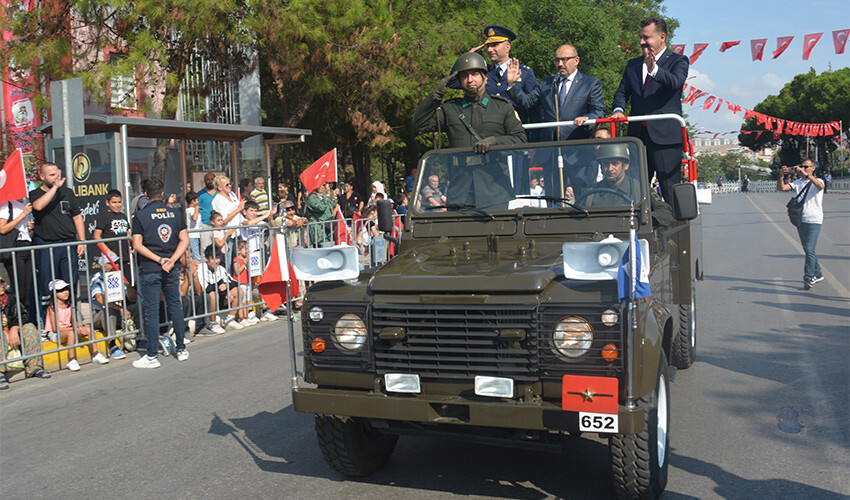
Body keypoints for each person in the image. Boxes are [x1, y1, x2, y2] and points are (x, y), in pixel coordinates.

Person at [611, 17, 689, 203]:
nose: (641, 42)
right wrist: (618, 109)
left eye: (646, 37)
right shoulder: (633, 65)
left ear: (662, 37)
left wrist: (654, 69)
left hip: (666, 140)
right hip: (638, 138)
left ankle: (673, 228)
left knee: (670, 192)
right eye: (640, 37)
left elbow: (675, 83)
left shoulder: (678, 60)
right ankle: (639, 230)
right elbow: (622, 92)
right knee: (637, 191)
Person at [131, 178, 190, 368]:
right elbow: (185, 240)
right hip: (171, 267)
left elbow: (137, 245)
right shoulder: (175, 213)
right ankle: (181, 348)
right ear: (162, 193)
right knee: (175, 307)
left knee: (152, 311)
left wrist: (159, 260)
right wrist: (172, 259)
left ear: (145, 194)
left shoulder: (140, 216)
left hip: (151, 268)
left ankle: (151, 356)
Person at [414, 52, 527, 151]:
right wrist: (436, 95)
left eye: (475, 74)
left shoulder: (502, 107)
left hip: (493, 173)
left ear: (485, 78)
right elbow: (420, 124)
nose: (470, 80)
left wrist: (494, 141)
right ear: (459, 81)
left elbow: (520, 139)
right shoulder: (450, 109)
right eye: (464, 76)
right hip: (460, 174)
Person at [29, 162, 86, 316]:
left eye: (58, 174)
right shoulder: (36, 193)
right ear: (42, 176)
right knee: (46, 284)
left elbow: (77, 216)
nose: (57, 178)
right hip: (46, 244)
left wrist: (81, 241)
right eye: (52, 175)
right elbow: (38, 206)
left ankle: (71, 318)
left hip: (68, 242)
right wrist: (54, 188)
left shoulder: (67, 192)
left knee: (70, 283)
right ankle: (46, 320)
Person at [471, 25, 539, 131]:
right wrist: (467, 59)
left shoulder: (525, 72)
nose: (489, 49)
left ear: (507, 47)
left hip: (515, 132)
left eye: (495, 45)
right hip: (488, 132)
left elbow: (532, 107)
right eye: (488, 46)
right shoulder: (483, 72)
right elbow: (453, 83)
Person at [778, 160, 825, 290]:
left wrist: (807, 175)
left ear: (812, 168)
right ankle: (818, 271)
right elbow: (782, 188)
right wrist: (781, 176)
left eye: (806, 167)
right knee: (807, 248)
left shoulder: (818, 180)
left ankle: (809, 277)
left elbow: (820, 186)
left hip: (814, 219)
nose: (803, 169)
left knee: (809, 248)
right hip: (800, 219)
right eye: (801, 166)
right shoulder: (798, 183)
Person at [44, 279, 107, 371]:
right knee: (71, 334)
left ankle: (96, 354)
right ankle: (72, 359)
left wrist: (77, 326)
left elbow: (73, 322)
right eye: (61, 291)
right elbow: (55, 329)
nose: (65, 292)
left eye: (66, 289)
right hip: (56, 333)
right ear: (54, 293)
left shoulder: (70, 305)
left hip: (69, 329)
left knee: (89, 329)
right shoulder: (52, 309)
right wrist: (72, 330)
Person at [0, 276, 50, 389]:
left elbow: (22, 315)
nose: (1, 286)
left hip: (11, 331)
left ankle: (34, 367)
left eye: (1, 283)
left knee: (30, 328)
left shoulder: (10, 298)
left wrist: (14, 329)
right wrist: (3, 331)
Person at [90, 253, 138, 359]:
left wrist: (127, 285)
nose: (116, 265)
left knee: (138, 306)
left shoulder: (118, 276)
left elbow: (132, 298)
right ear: (104, 266)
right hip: (100, 314)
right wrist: (120, 309)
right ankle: (112, 346)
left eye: (117, 263)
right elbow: (100, 299)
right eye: (112, 263)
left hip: (119, 313)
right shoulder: (97, 279)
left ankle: (141, 337)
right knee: (108, 312)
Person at [0, 197, 35, 323]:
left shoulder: (25, 201)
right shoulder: (6, 203)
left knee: (28, 288)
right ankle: (17, 322)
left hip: (27, 245)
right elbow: (2, 228)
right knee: (19, 289)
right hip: (14, 247)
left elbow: (22, 226)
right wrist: (23, 214)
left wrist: (28, 225)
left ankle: (27, 323)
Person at [197, 244, 244, 330]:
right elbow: (206, 288)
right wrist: (222, 288)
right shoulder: (200, 269)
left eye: (218, 258)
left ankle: (230, 319)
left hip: (219, 299)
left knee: (238, 291)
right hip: (205, 302)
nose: (216, 261)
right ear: (206, 259)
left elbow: (234, 282)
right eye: (213, 258)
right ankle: (213, 323)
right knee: (213, 294)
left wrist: (226, 286)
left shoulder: (221, 268)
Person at [93, 189, 132, 280]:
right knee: (114, 285)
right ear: (107, 203)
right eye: (114, 202)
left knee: (127, 283)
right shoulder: (104, 216)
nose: (117, 205)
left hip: (125, 256)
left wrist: (133, 246)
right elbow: (96, 235)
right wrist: (108, 251)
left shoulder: (123, 216)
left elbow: (128, 234)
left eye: (119, 202)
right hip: (111, 259)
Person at [303, 182, 339, 247]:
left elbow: (330, 206)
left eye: (324, 185)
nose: (323, 187)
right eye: (321, 185)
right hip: (319, 229)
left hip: (327, 227)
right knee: (323, 248)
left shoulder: (321, 196)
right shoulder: (312, 198)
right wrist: (327, 196)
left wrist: (334, 196)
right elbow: (321, 207)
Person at [197, 172, 217, 252]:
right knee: (206, 248)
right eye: (208, 179)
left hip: (218, 225)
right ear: (204, 181)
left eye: (212, 179)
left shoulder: (220, 193)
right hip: (205, 224)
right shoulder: (200, 194)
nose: (210, 181)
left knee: (217, 247)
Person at [185, 191, 202, 261]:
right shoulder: (190, 210)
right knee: (196, 256)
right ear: (193, 201)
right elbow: (194, 218)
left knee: (197, 254)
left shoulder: (193, 210)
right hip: (192, 236)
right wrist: (197, 209)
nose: (198, 201)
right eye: (197, 200)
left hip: (196, 235)